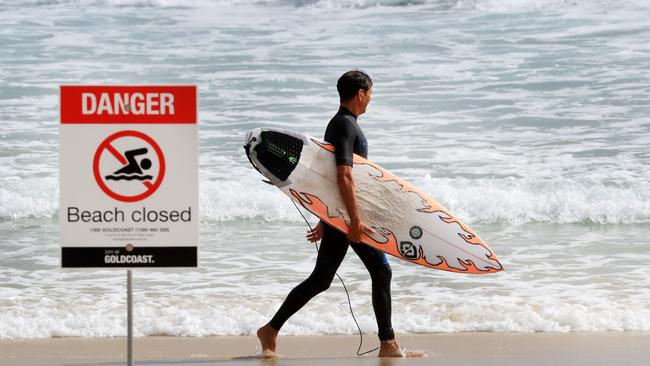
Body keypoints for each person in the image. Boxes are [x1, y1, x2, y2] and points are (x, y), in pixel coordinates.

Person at [257, 70, 421, 357]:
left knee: (323, 278)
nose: (371, 99)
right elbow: (343, 175)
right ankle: (388, 345)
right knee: (380, 271)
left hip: (341, 215)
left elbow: (327, 180)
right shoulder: (345, 126)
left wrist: (326, 217)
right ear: (360, 93)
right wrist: (353, 222)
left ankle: (271, 329)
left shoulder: (342, 124)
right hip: (349, 217)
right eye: (370, 93)